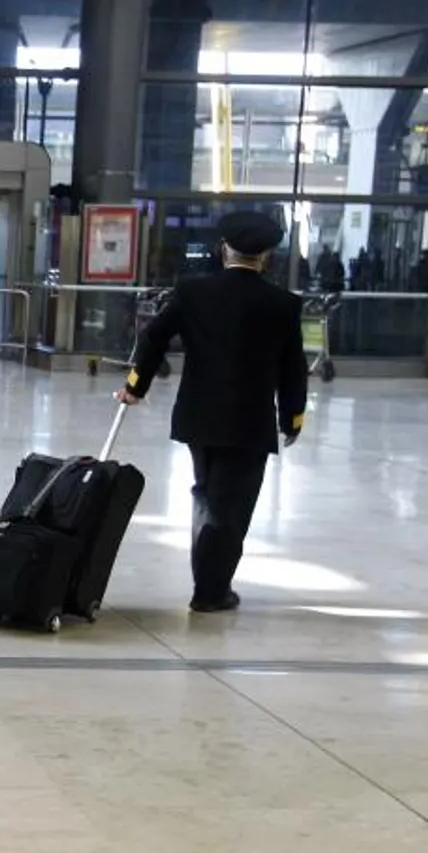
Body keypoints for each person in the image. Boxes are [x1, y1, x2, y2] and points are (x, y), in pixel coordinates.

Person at [116, 210, 308, 614]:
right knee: (230, 506)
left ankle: (209, 578)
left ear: (223, 250)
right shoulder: (283, 305)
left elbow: (153, 337)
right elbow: (293, 367)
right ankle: (210, 591)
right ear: (267, 257)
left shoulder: (192, 292)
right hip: (249, 422)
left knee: (208, 495)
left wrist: (137, 386)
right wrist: (292, 417)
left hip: (198, 418)